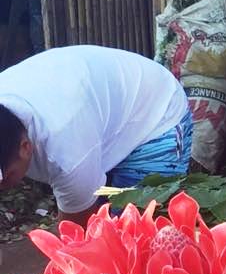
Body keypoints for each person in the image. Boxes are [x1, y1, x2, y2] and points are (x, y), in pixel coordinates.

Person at [0, 45, 192, 226]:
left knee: (134, 233)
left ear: (25, 147)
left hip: (155, 111)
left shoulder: (65, 153)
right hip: (98, 113)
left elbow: (76, 235)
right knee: (104, 215)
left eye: (4, 179)